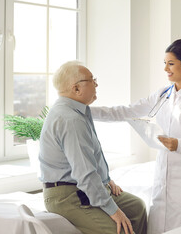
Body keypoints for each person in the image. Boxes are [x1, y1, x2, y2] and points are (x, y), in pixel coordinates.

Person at [90, 39, 181, 234]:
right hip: (163, 177)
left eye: (171, 63)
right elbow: (126, 111)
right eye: (164, 63)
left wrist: (179, 144)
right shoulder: (163, 94)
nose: (166, 69)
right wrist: (86, 111)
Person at [39, 61, 147, 234]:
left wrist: (105, 180)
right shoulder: (70, 120)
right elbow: (85, 174)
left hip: (80, 188)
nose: (96, 84)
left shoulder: (78, 111)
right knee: (118, 230)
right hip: (68, 197)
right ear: (76, 89)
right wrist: (114, 211)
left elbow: (87, 159)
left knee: (137, 207)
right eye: (91, 80)